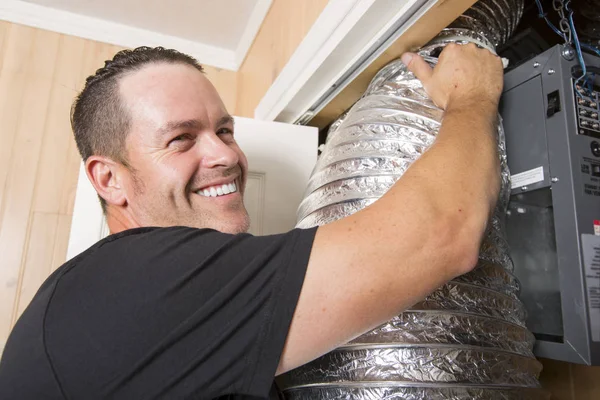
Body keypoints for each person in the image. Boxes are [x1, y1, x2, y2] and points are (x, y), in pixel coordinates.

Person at [0, 43, 503, 399]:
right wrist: (472, 97)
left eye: (224, 130)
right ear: (109, 179)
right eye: (182, 139)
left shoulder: (103, 295)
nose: (225, 155)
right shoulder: (139, 281)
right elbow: (441, 232)